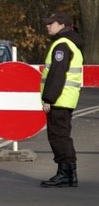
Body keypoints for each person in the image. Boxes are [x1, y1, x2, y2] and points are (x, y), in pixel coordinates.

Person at [40, 12, 84, 188]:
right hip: (66, 98)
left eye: (51, 23)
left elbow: (56, 75)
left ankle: (65, 174)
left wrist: (48, 99)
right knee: (62, 136)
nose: (47, 26)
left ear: (61, 25)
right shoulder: (71, 43)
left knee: (58, 137)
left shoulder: (62, 45)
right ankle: (69, 175)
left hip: (59, 99)